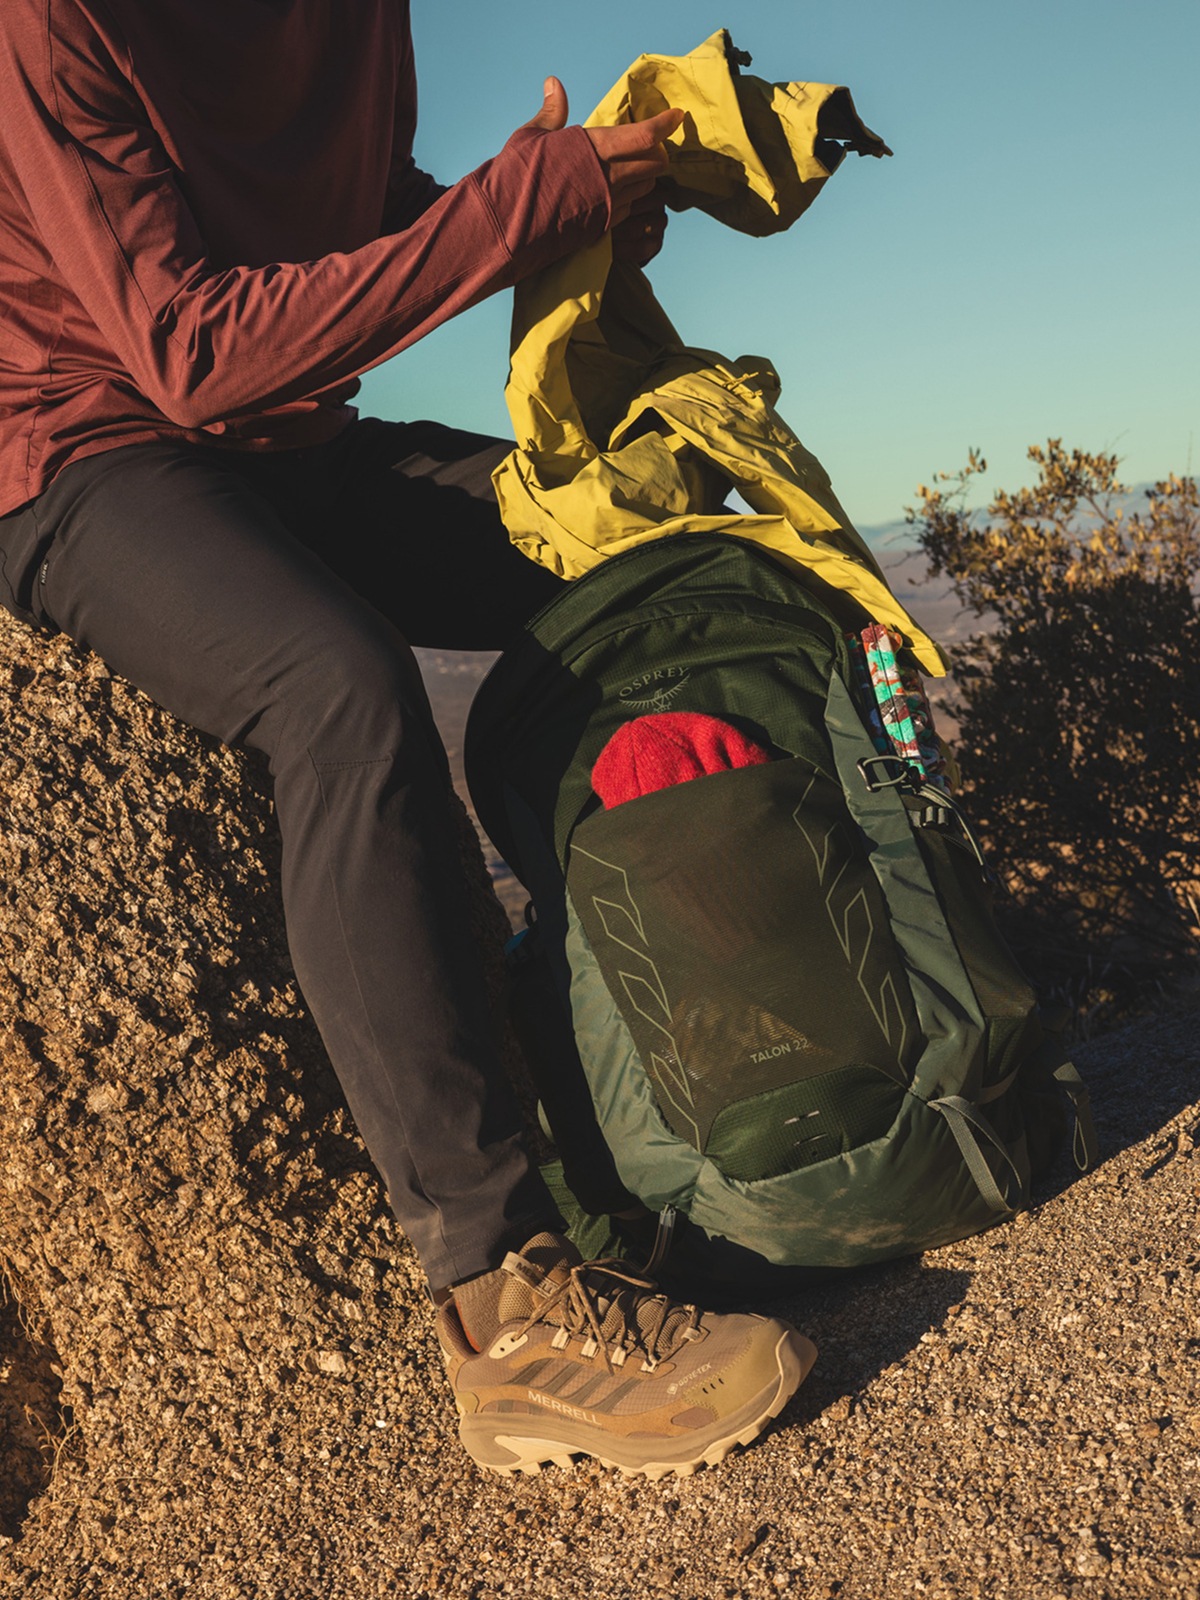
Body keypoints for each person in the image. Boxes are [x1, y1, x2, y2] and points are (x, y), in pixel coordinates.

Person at [0, 0, 815, 1476]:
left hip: (291, 441)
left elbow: (364, 221)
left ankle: (717, 1130)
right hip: (78, 446)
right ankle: (504, 1304)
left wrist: (562, 210)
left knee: (626, 551)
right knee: (338, 686)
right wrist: (515, 213)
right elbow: (184, 347)